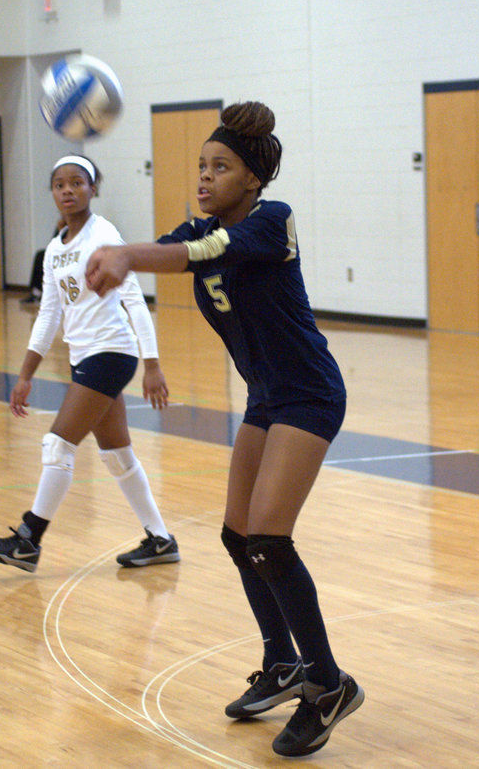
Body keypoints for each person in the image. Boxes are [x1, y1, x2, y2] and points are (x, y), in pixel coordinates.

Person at [85, 102, 363, 757]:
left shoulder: (271, 221)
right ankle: (282, 661)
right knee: (240, 536)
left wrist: (130, 252)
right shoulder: (201, 225)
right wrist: (117, 260)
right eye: (202, 166)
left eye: (221, 167)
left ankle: (328, 684)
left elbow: (206, 249)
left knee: (270, 534)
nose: (205, 177)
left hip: (309, 393)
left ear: (253, 178)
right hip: (265, 397)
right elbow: (185, 246)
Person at [0, 154, 179, 572]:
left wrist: (153, 363)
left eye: (77, 182)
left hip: (111, 353)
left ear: (93, 188)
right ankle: (160, 540)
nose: (67, 190)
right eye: (59, 184)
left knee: (58, 444)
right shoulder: (53, 251)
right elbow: (49, 314)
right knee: (117, 455)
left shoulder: (103, 235)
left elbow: (135, 300)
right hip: (84, 356)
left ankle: (28, 539)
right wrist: (25, 375)